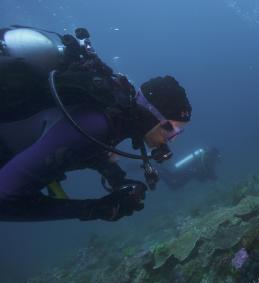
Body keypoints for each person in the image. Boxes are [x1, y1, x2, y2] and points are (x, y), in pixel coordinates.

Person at [0, 26, 192, 221]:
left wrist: (119, 181)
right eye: (172, 131)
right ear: (154, 116)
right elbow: (3, 198)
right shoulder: (96, 126)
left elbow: (89, 152)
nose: (172, 140)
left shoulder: (116, 116)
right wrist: (93, 209)